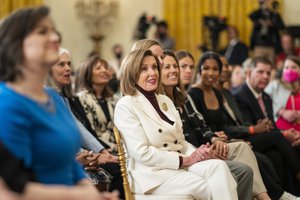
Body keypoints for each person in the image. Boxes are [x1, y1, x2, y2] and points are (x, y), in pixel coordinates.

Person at [0, 6, 118, 200]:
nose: (55, 38)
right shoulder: (7, 103)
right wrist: (81, 197)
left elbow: (68, 164)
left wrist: (92, 194)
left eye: (53, 31)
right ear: (16, 44)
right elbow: (11, 188)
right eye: (42, 32)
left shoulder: (53, 98)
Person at [114, 49, 240, 199]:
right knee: (206, 186)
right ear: (132, 74)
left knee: (219, 168)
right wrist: (184, 160)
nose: (153, 73)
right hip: (151, 175)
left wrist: (197, 154)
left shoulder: (165, 100)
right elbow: (141, 152)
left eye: (154, 67)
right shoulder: (126, 105)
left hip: (178, 164)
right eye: (144, 69)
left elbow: (180, 141)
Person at [217, 55, 300, 200]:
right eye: (260, 72)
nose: (265, 76)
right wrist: (263, 129)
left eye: (268, 73)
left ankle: (290, 193)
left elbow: (271, 125)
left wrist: (284, 132)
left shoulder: (266, 96)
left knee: (277, 155)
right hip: (246, 138)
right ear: (249, 73)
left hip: (265, 139)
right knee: (276, 139)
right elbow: (245, 125)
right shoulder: (240, 95)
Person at [46, 48, 124, 197]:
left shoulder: (59, 96)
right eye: (61, 64)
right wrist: (90, 154)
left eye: (69, 63)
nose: (68, 68)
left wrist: (101, 151)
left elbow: (77, 128)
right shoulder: (45, 96)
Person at [75, 56, 117, 151]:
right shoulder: (81, 98)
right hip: (98, 149)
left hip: (117, 147)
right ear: (88, 74)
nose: (104, 70)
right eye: (98, 68)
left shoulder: (113, 98)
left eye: (105, 67)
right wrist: (107, 148)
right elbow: (89, 132)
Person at [265, 56, 300, 145]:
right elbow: (263, 101)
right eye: (286, 67)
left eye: (294, 67)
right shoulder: (275, 85)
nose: (289, 70)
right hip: (281, 132)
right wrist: (281, 111)